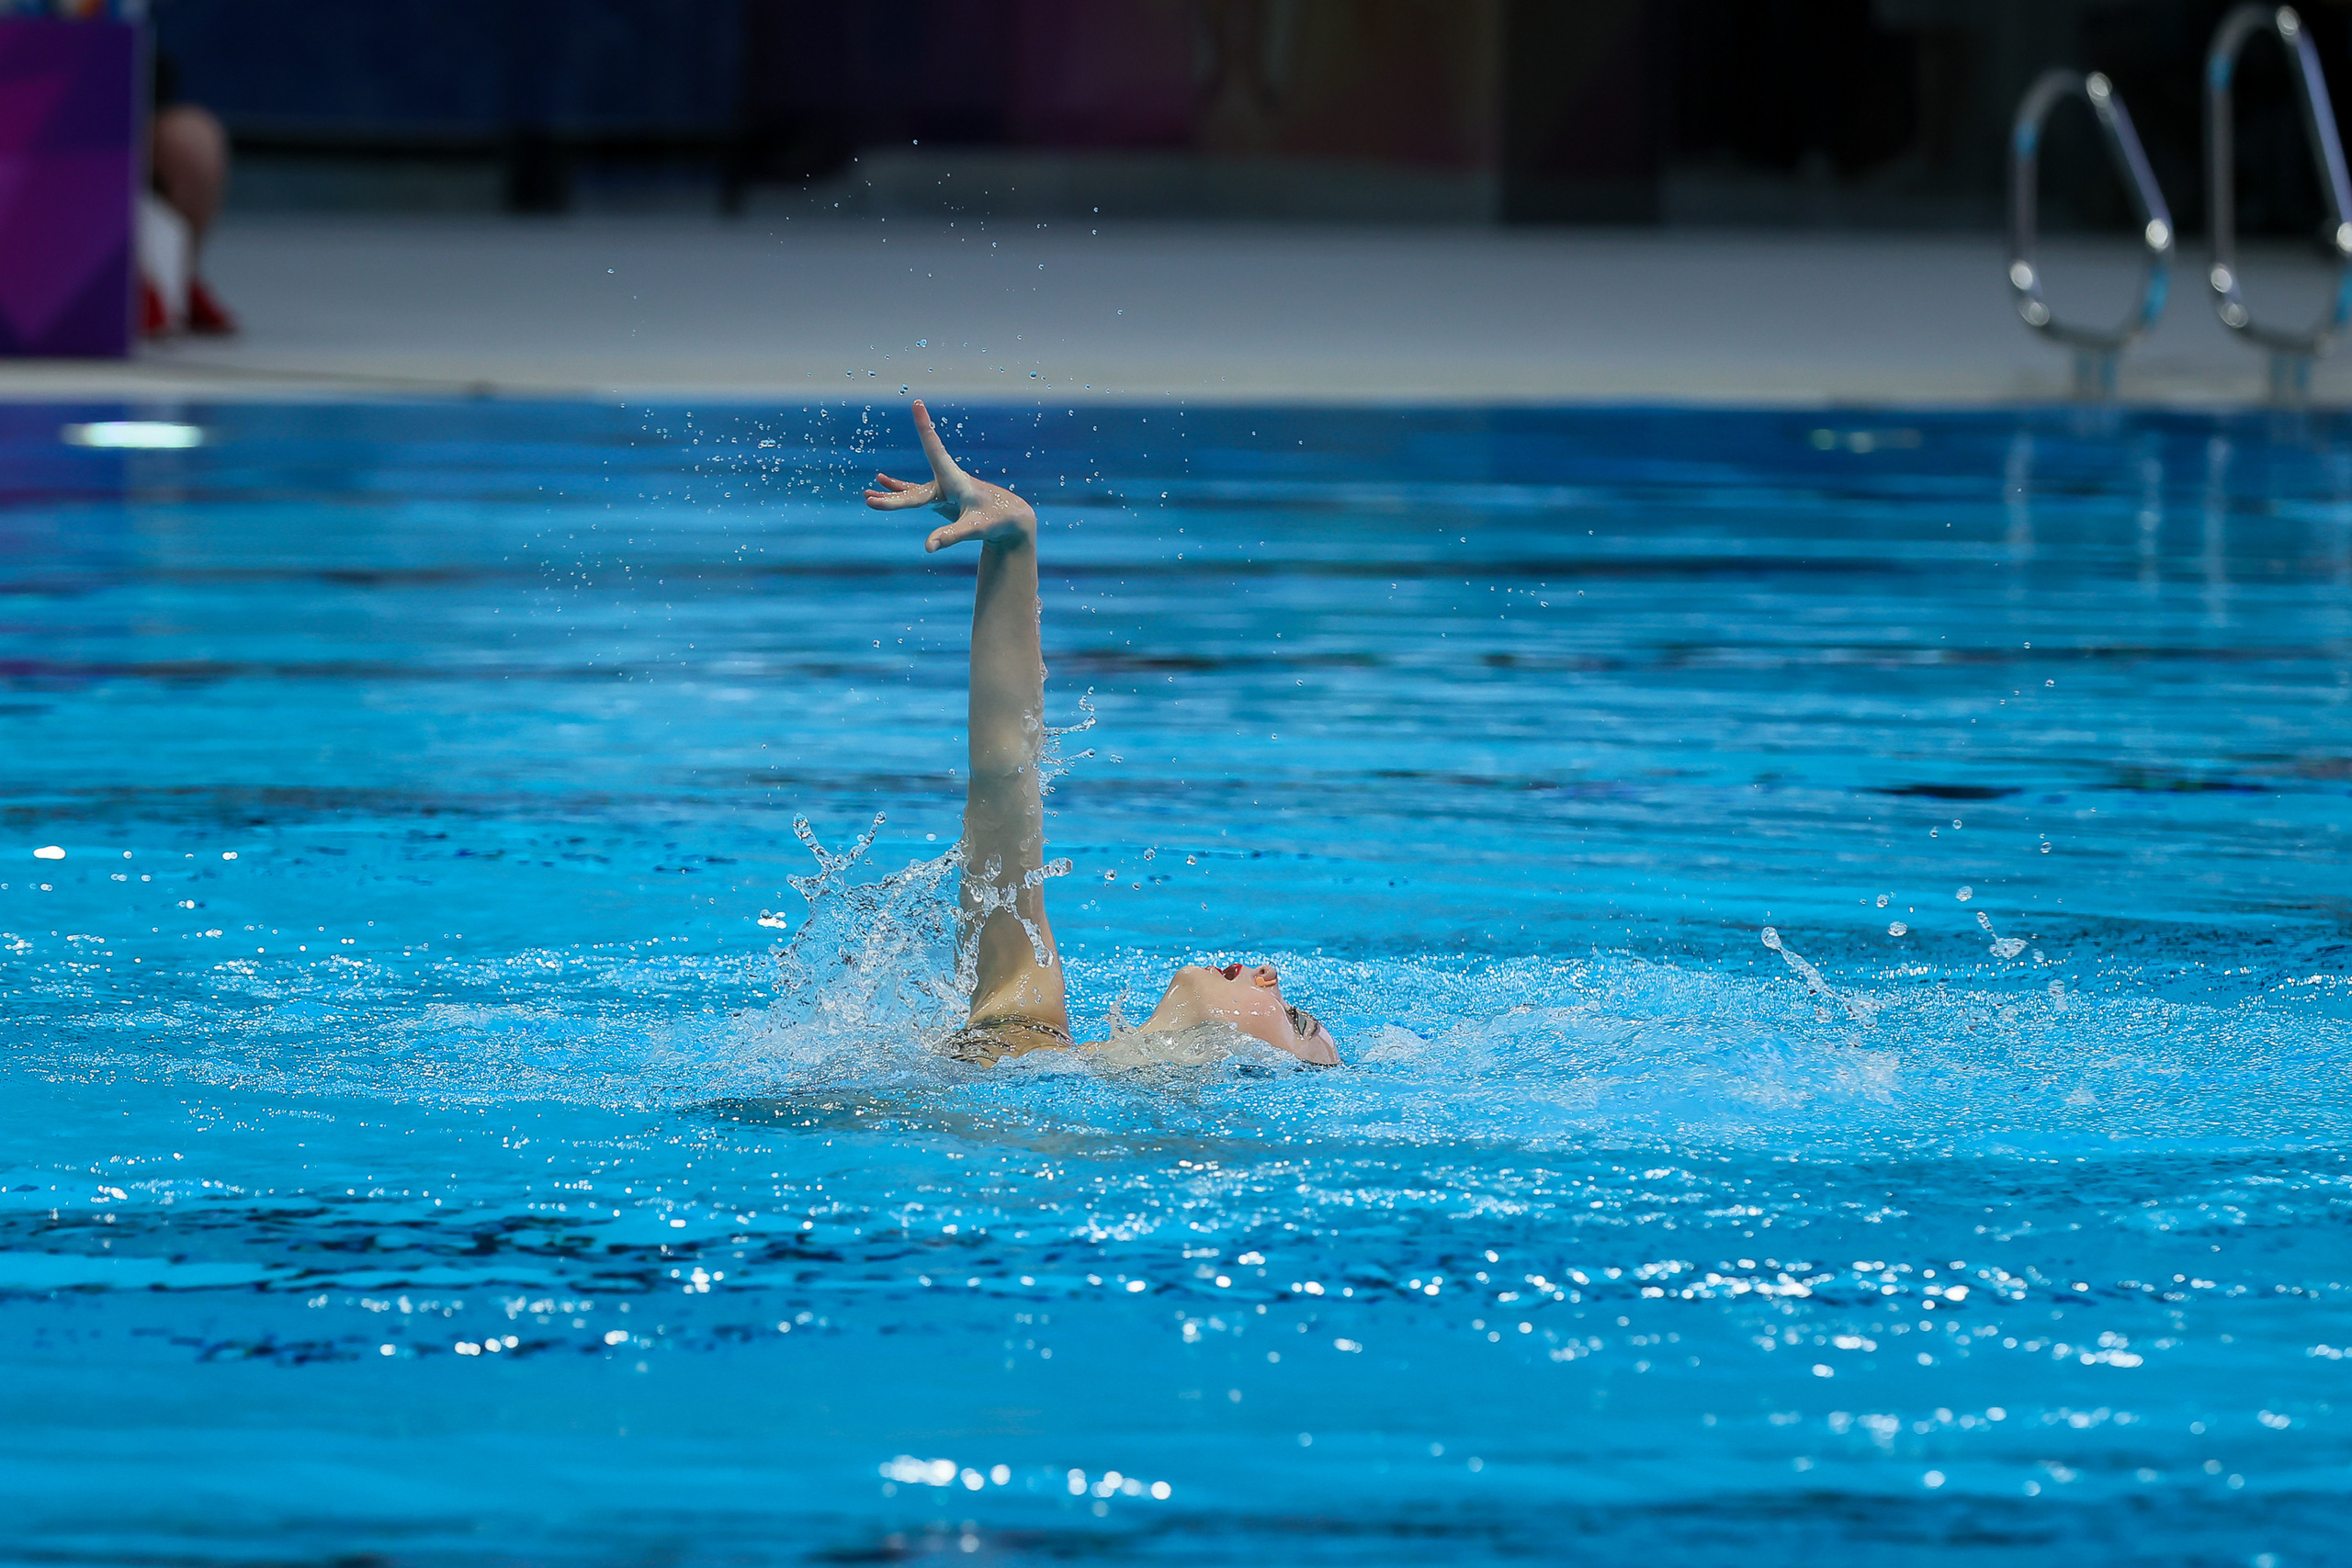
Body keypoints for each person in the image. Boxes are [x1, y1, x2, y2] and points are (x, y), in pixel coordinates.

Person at [863, 401, 1340, 1068]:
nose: (1269, 975)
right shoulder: (1028, 1016)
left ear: (1265, 1071)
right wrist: (1014, 538)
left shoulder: (1046, 1051)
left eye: (1293, 1016)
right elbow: (1004, 775)